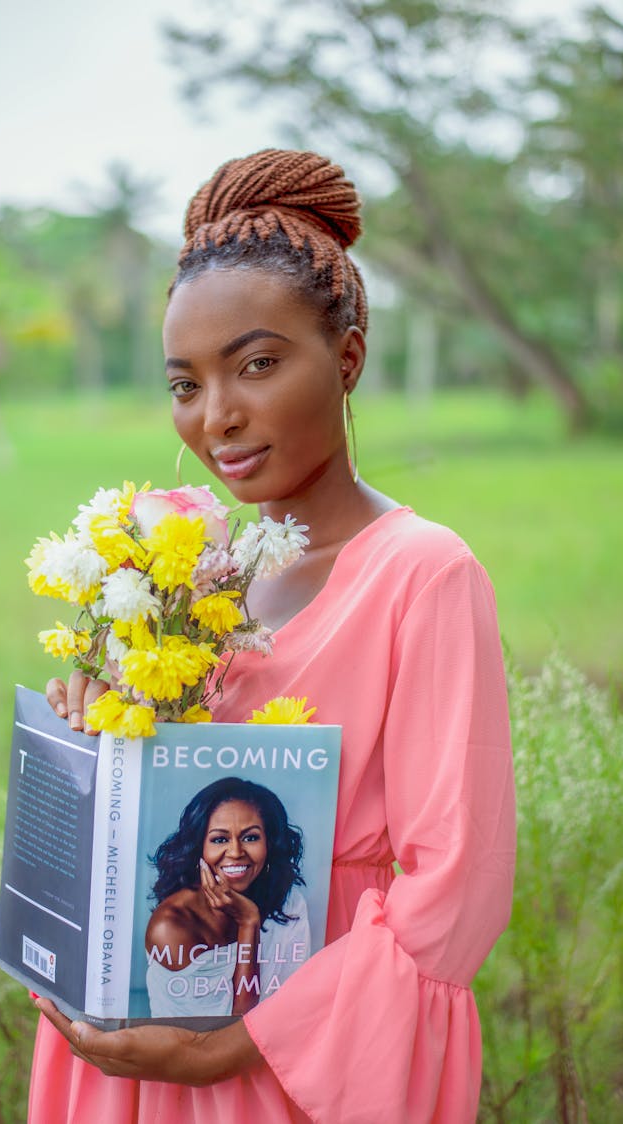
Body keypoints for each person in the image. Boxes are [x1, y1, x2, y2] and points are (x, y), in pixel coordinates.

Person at [31, 148, 516, 1123]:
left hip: (309, 1054)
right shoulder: (192, 572)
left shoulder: (423, 573)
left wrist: (235, 1048)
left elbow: (452, 895)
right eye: (186, 382)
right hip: (139, 1038)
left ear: (346, 356)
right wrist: (96, 728)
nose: (218, 417)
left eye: (257, 364)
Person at [145, 776, 310, 1019]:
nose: (235, 852)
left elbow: (293, 1006)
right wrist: (248, 923)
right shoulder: (171, 926)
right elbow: (235, 1028)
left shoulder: (288, 901)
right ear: (198, 846)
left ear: (270, 842)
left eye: (250, 837)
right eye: (220, 839)